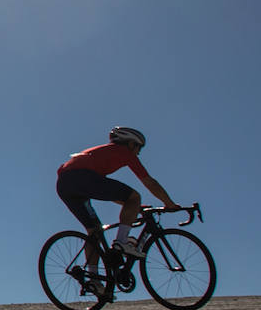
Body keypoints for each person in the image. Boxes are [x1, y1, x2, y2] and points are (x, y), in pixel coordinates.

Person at [56, 126, 180, 295]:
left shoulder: (104, 154)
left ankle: (94, 280)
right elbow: (148, 181)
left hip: (65, 184)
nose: (139, 153)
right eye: (139, 148)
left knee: (94, 231)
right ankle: (122, 242)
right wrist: (169, 203)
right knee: (135, 196)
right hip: (83, 178)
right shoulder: (123, 152)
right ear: (130, 144)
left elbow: (100, 188)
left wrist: (129, 205)